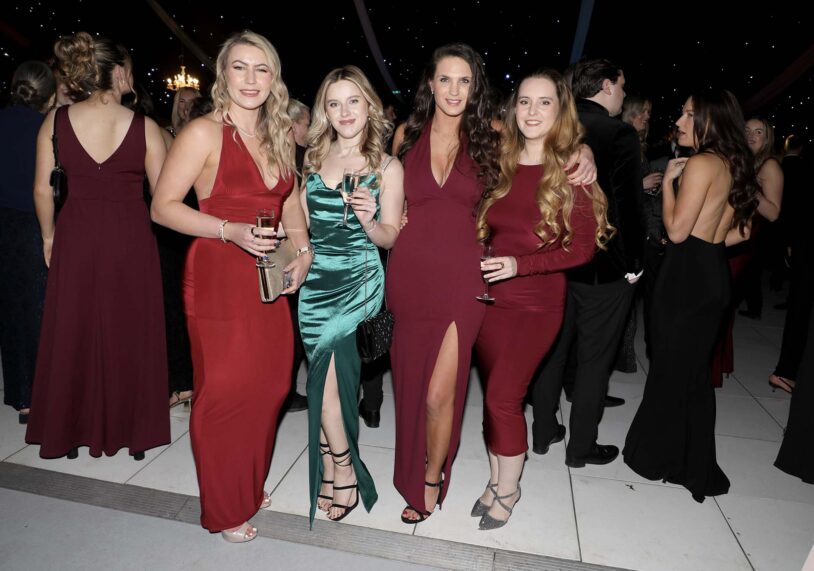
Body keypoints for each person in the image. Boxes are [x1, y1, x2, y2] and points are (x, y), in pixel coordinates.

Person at [388, 43, 596, 524]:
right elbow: (386, 191)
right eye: (445, 79)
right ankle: (413, 465)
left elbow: (542, 144)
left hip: (467, 278)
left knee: (440, 394)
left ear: (475, 88)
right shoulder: (406, 134)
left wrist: (584, 152)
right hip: (410, 275)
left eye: (465, 81)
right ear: (430, 84)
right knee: (411, 386)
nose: (454, 90)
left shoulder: (491, 135)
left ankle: (432, 477)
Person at [151, 31, 312, 543]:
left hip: (267, 274)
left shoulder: (279, 134)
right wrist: (229, 230)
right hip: (218, 270)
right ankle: (224, 506)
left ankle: (246, 480)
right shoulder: (203, 133)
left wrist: (303, 252)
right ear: (223, 74)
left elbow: (291, 203)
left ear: (274, 78)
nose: (250, 79)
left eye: (261, 68)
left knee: (271, 385)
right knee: (224, 391)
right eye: (239, 67)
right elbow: (162, 207)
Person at [472, 69, 612, 529]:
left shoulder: (572, 169)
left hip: (536, 305)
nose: (532, 111)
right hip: (490, 302)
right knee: (493, 397)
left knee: (503, 398)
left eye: (544, 102)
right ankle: (495, 479)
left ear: (561, 110)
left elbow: (582, 250)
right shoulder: (502, 160)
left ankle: (509, 489)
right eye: (525, 102)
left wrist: (520, 265)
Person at [25, 33, 170, 461]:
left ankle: (69, 432)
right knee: (129, 331)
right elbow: (164, 199)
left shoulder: (56, 121)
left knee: (74, 330)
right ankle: (132, 431)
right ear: (118, 72)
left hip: (76, 234)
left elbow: (41, 189)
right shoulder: (146, 128)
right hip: (131, 238)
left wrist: (48, 236)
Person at [623, 89, 759, 502]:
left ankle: (659, 457)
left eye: (687, 115)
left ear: (709, 121)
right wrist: (709, 244)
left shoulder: (701, 163)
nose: (679, 122)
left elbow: (677, 232)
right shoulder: (734, 162)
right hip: (713, 272)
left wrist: (668, 184)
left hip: (684, 276)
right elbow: (743, 232)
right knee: (693, 372)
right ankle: (690, 459)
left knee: (669, 367)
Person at [298, 65, 404, 523]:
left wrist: (368, 219)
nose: (344, 112)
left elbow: (389, 238)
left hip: (359, 282)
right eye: (334, 103)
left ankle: (343, 468)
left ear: (368, 106)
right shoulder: (312, 161)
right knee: (324, 382)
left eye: (353, 101)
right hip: (315, 284)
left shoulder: (387, 166)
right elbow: (300, 226)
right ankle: (331, 463)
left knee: (326, 385)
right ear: (324, 110)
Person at [532, 58, 643, 468]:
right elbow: (628, 206)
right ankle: (580, 448)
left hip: (553, 258)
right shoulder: (619, 132)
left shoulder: (550, 124)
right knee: (595, 359)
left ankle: (543, 431)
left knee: (552, 350)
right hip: (603, 263)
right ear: (607, 85)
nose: (624, 95)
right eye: (622, 86)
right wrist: (635, 263)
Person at [0, 61, 55, 424]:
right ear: (50, 97)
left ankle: (21, 396)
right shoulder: (47, 130)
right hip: (35, 223)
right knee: (40, 310)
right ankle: (40, 396)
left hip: (2, 224)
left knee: (10, 310)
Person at [285, 96, 311, 412]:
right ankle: (286, 390)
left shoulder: (276, 154)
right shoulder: (302, 158)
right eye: (307, 122)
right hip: (298, 247)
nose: (310, 128)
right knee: (295, 325)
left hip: (287, 246)